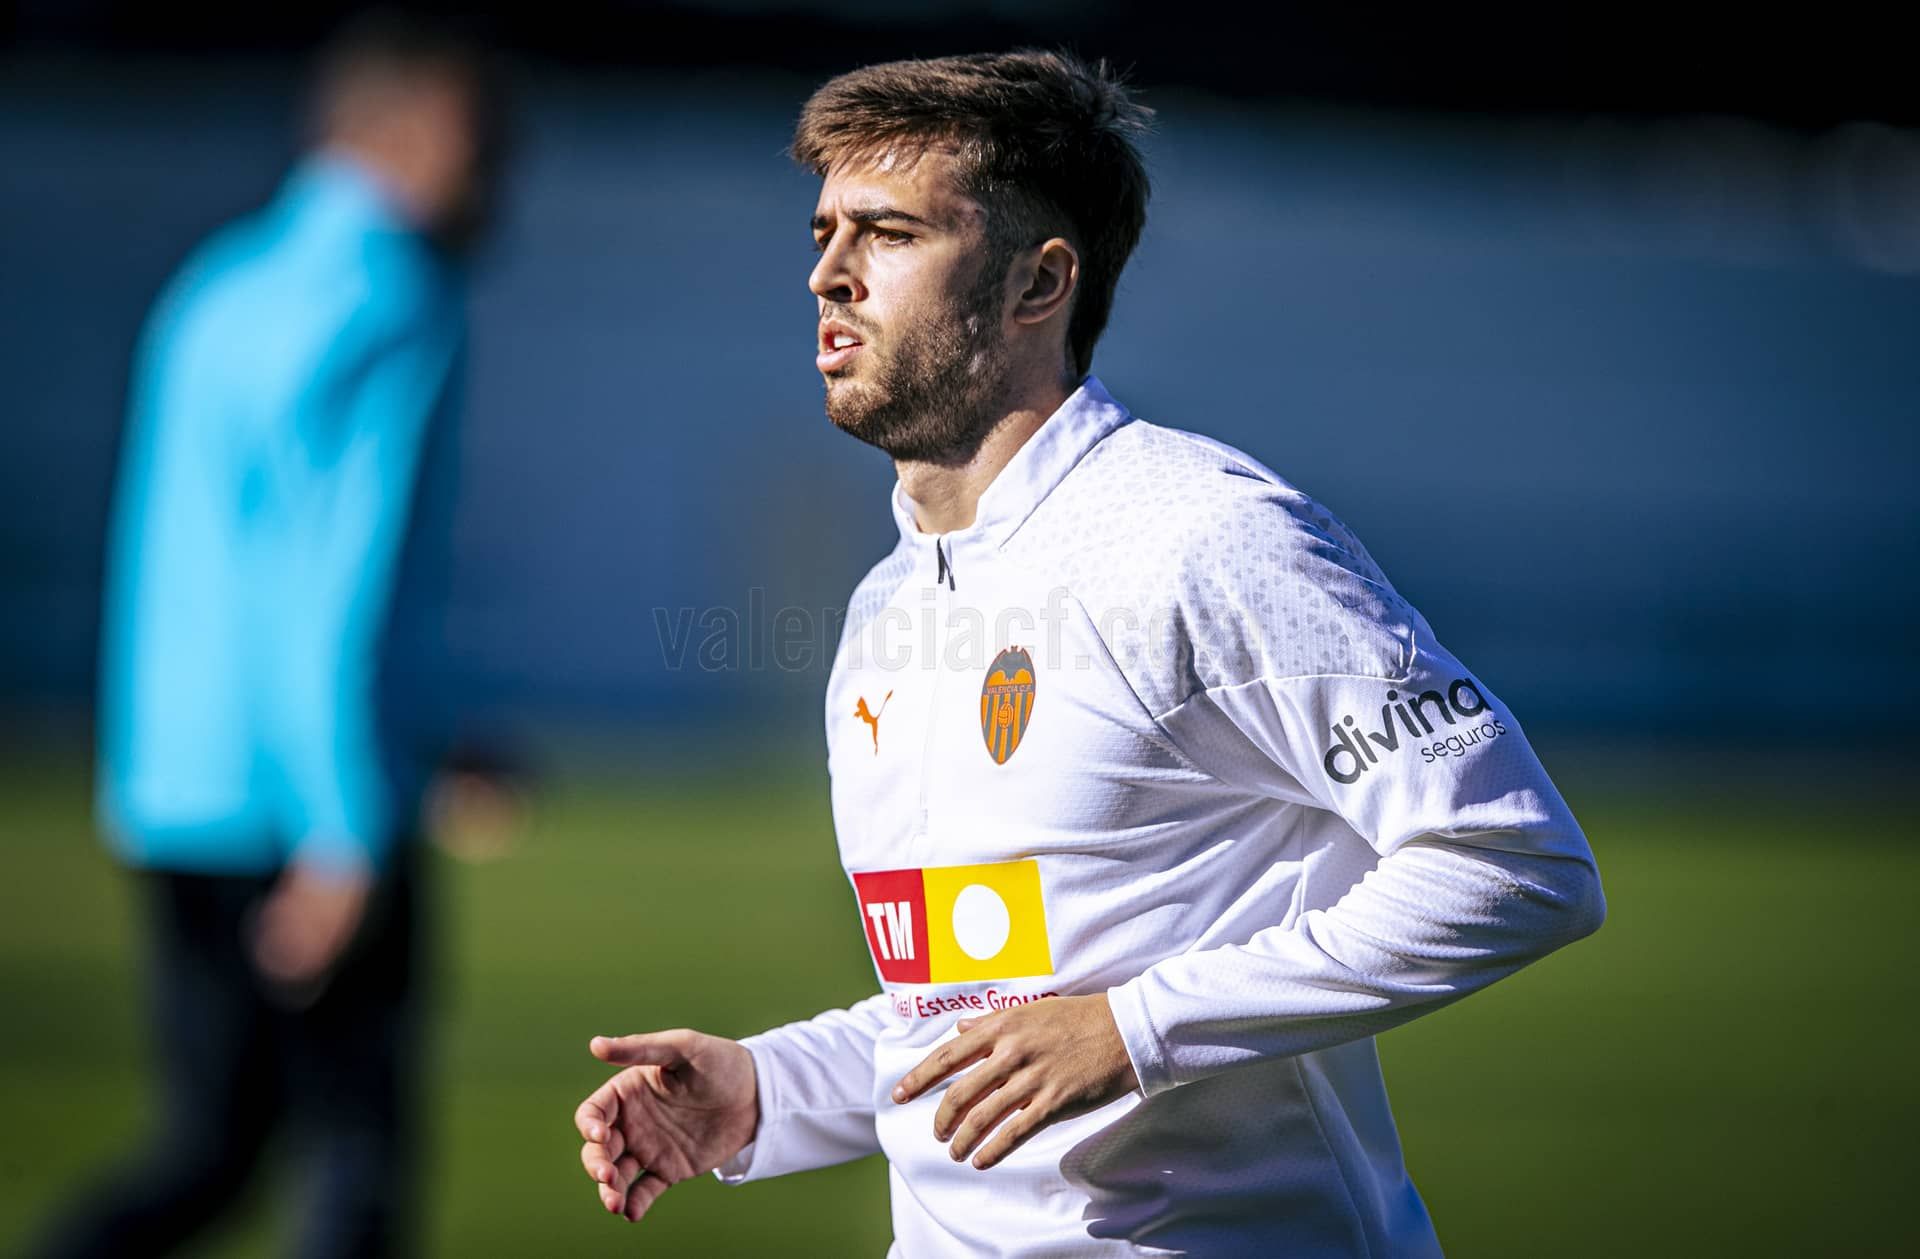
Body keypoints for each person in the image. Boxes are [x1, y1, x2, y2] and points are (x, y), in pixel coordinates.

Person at [575, 51, 1605, 1256]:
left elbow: (1515, 860)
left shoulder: (1203, 534)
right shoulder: (882, 610)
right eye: (823, 230)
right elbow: (981, 1001)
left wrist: (1138, 1026)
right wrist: (766, 1089)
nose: (827, 274)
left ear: (1037, 283)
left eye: (889, 232)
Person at [33, 16, 508, 1259]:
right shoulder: (396, 294)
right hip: (312, 802)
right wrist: (347, 828)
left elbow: (231, 566)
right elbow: (330, 588)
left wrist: (428, 737)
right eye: (483, 138)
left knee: (212, 1146)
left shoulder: (220, 282)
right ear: (419, 130)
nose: (499, 171)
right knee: (355, 1165)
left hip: (177, 788)